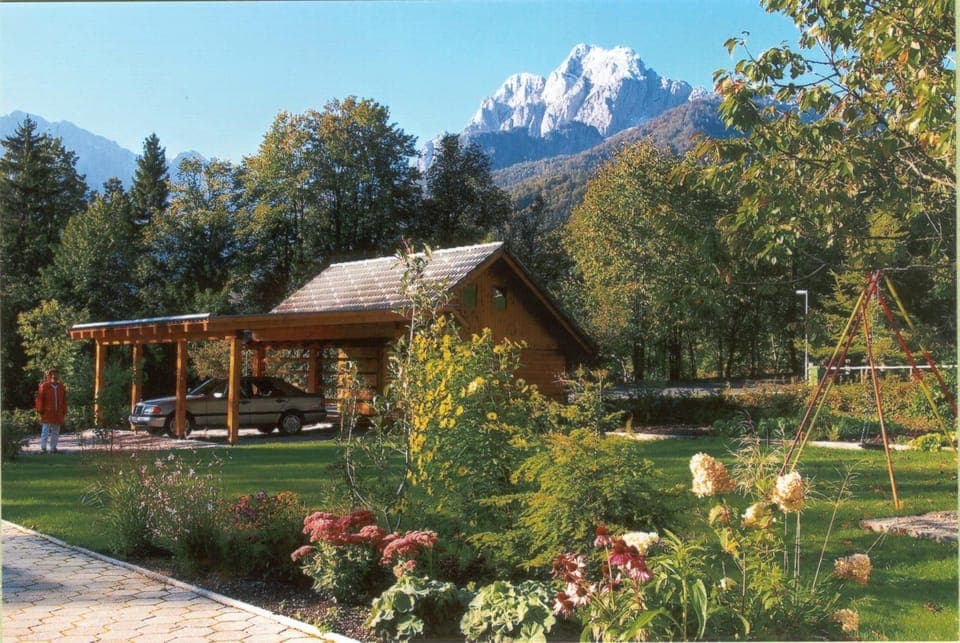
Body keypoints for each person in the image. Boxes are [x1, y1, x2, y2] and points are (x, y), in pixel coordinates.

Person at [35, 368, 67, 454]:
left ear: (58, 375)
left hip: (58, 412)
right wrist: (40, 410)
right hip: (47, 412)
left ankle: (53, 448)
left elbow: (64, 400)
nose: (54, 376)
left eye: (56, 374)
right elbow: (40, 399)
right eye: (52, 374)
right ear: (48, 375)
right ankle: (43, 448)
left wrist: (64, 410)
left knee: (56, 431)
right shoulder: (44, 386)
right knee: (45, 431)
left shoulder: (61, 387)